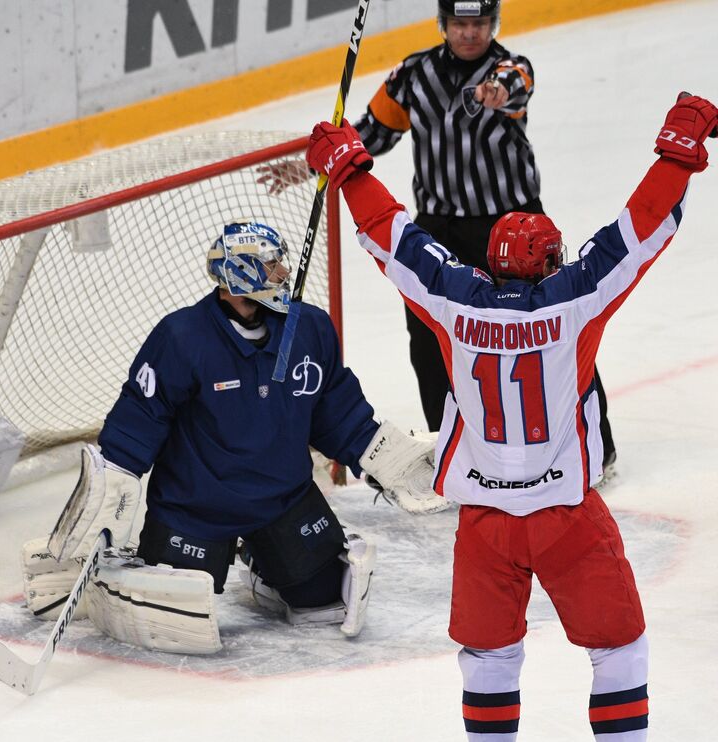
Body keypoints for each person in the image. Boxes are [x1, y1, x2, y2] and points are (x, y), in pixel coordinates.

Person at [305, 93, 717, 740]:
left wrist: (352, 173)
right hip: (566, 517)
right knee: (618, 651)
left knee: (490, 659)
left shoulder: (453, 298)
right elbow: (640, 227)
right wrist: (677, 155)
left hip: (486, 524)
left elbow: (394, 236)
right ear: (550, 263)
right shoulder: (575, 299)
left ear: (489, 263)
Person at [22, 220, 446, 654]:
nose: (283, 272)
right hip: (197, 509)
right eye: (272, 264)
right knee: (173, 617)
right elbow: (139, 418)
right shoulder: (182, 337)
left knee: (326, 601)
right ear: (241, 274)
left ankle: (267, 564)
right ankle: (93, 578)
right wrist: (111, 489)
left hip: (284, 500)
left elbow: (336, 412)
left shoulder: (309, 329)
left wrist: (382, 456)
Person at [259, 0, 617, 474]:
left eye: (480, 24)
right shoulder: (413, 75)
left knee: (555, 329)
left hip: (514, 228)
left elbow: (516, 84)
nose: (470, 33)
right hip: (440, 230)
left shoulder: (510, 69)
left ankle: (593, 442)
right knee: (430, 337)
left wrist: (495, 90)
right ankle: (456, 447)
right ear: (444, 25)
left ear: (493, 25)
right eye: (460, 24)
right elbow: (370, 134)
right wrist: (309, 166)